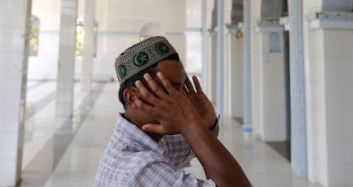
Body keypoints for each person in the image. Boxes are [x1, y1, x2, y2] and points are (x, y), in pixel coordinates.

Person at [95, 36, 251, 186]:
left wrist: (205, 125)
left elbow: (193, 145)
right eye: (171, 88)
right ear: (132, 97)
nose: (183, 99)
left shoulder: (145, 139)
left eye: (184, 87)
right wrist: (190, 124)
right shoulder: (139, 170)